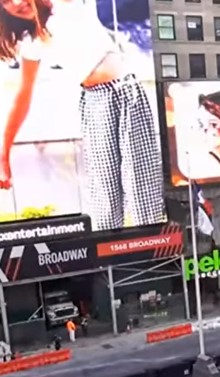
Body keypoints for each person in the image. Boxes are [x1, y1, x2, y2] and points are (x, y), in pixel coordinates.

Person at [0, 0, 165, 231]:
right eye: (6, 1)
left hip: (126, 92)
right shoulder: (32, 42)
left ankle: (152, 251)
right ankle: (112, 259)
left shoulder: (66, 5)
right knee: (104, 195)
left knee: (140, 185)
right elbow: (23, 97)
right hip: (94, 102)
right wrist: (4, 156)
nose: (17, 3)